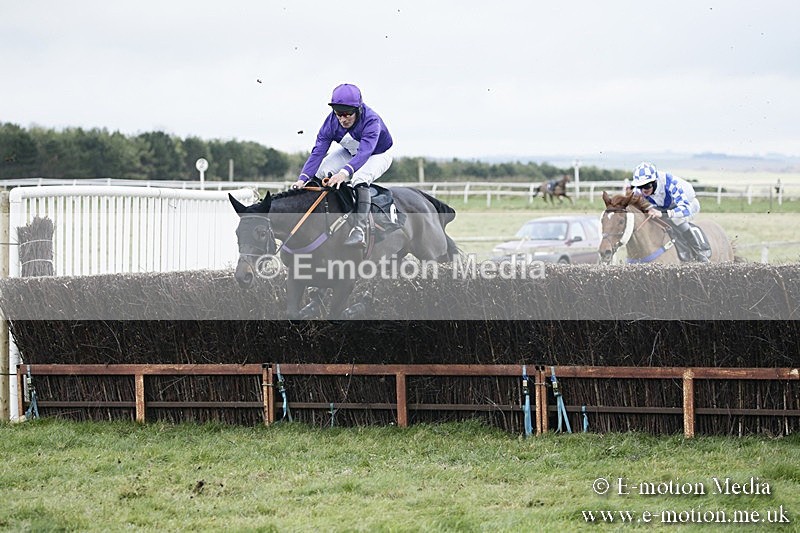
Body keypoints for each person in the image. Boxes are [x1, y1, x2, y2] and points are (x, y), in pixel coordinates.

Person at [292, 83, 394, 247]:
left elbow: (365, 153)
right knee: (321, 171)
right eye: (339, 114)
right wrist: (302, 179)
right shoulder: (330, 123)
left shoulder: (372, 121)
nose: (343, 119)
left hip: (377, 154)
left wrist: (344, 173)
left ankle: (359, 230)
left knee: (359, 179)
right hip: (350, 150)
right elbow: (318, 152)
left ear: (358, 109)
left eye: (347, 114)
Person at [630, 162, 709, 262]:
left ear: (655, 181)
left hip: (688, 204)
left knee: (676, 219)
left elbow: (685, 208)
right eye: (640, 186)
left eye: (647, 185)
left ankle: (698, 252)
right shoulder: (638, 190)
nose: (643, 190)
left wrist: (664, 214)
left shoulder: (670, 183)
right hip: (664, 207)